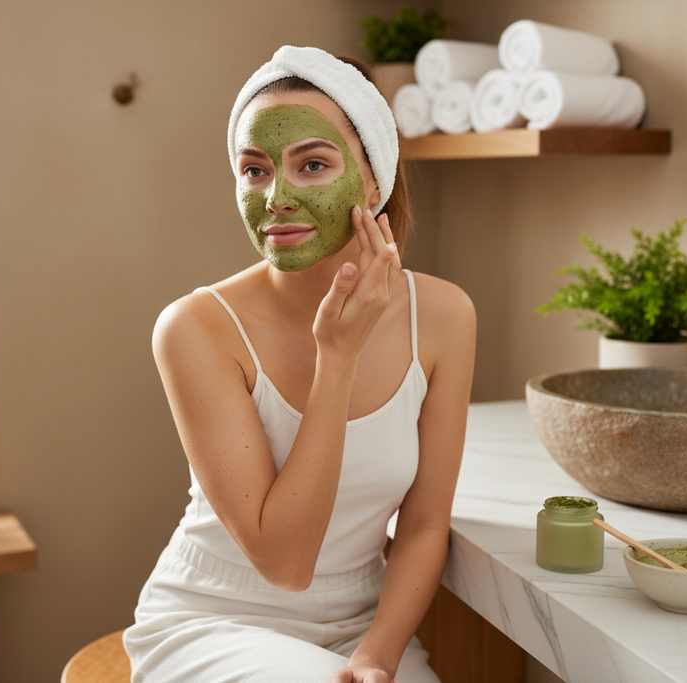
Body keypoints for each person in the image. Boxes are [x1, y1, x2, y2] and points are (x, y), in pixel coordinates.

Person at [123, 45, 476, 683]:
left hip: (361, 627)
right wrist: (335, 359)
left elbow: (425, 526)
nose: (277, 197)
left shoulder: (445, 317)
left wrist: (378, 655)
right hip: (215, 620)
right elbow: (286, 562)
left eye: (312, 164)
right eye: (254, 171)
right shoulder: (196, 329)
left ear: (374, 179)